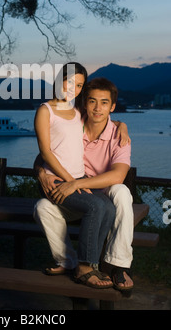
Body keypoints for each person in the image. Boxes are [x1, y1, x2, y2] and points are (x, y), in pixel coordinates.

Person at [34, 77, 133, 293]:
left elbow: (118, 175)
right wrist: (41, 172)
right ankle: (70, 262)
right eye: (92, 101)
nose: (98, 108)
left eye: (104, 103)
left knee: (122, 191)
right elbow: (45, 153)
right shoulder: (74, 124)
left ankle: (118, 264)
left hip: (99, 191)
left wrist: (76, 183)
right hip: (76, 195)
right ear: (84, 103)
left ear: (113, 107)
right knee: (42, 207)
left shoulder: (120, 136)